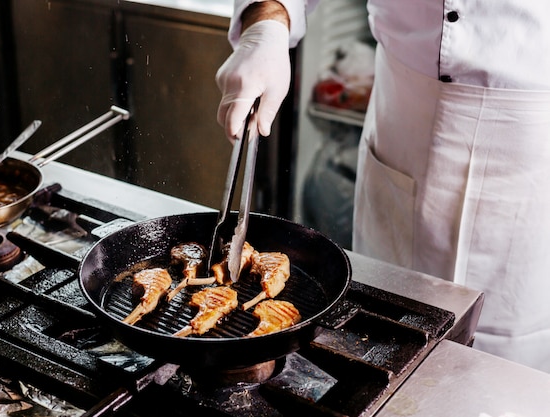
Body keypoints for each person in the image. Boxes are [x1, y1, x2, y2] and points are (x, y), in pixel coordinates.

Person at [216, 0, 550, 373]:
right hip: (402, 117)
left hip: (533, 146)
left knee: (502, 368)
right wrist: (267, 26)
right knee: (380, 339)